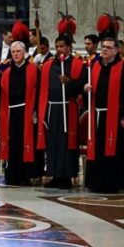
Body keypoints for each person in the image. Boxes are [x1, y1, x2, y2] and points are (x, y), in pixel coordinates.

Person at [37, 16, 85, 188]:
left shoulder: (78, 64)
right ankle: (55, 174)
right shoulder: (49, 65)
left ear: (69, 47)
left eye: (62, 46)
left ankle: (66, 176)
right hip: (53, 108)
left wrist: (69, 82)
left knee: (67, 142)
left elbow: (81, 87)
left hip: (68, 107)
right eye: (57, 47)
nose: (59, 49)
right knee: (54, 142)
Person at [84, 36, 124, 193]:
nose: (104, 50)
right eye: (103, 47)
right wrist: (85, 87)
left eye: (108, 47)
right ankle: (95, 182)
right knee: (97, 150)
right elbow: (87, 85)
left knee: (115, 149)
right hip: (98, 115)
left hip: (116, 117)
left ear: (116, 50)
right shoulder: (94, 66)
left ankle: (114, 183)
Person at [0, 32, 38, 186]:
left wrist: (36, 112)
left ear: (25, 53)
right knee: (12, 143)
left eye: (18, 51)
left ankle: (25, 175)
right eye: (13, 52)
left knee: (24, 143)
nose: (16, 54)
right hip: (11, 112)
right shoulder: (6, 72)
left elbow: (37, 91)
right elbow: (4, 95)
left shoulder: (33, 69)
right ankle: (12, 174)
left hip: (26, 111)